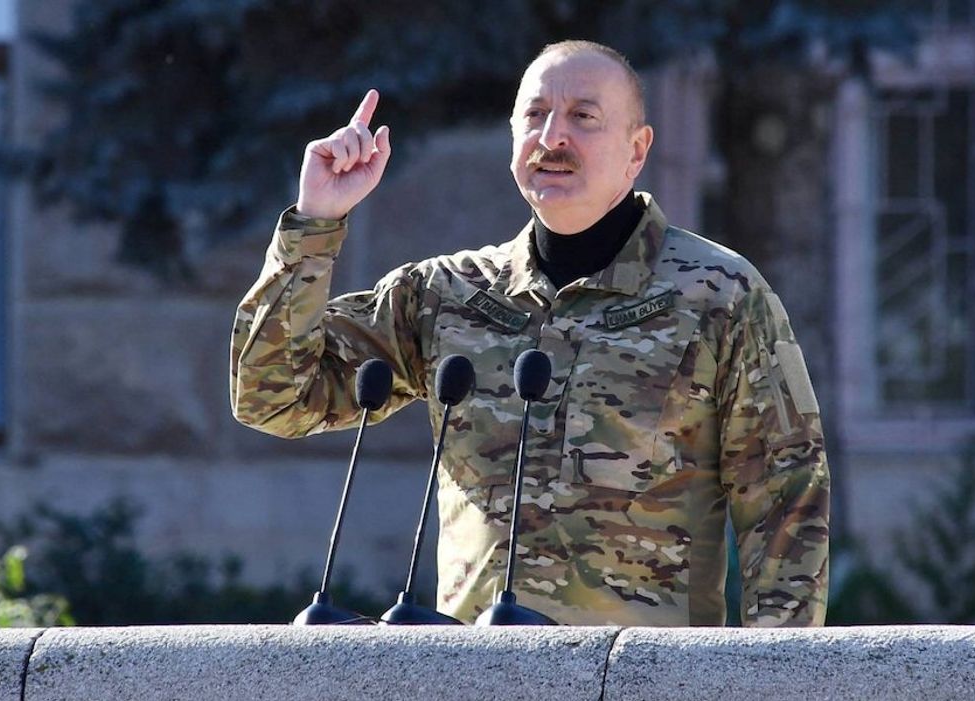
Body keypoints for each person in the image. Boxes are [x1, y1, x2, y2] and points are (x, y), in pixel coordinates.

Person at [231, 40, 829, 627]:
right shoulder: (446, 295)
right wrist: (316, 221)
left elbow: (786, 498)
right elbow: (273, 397)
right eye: (535, 117)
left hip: (641, 680)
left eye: (583, 118)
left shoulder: (718, 294)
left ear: (636, 149)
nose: (552, 139)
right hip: (474, 676)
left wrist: (771, 675)